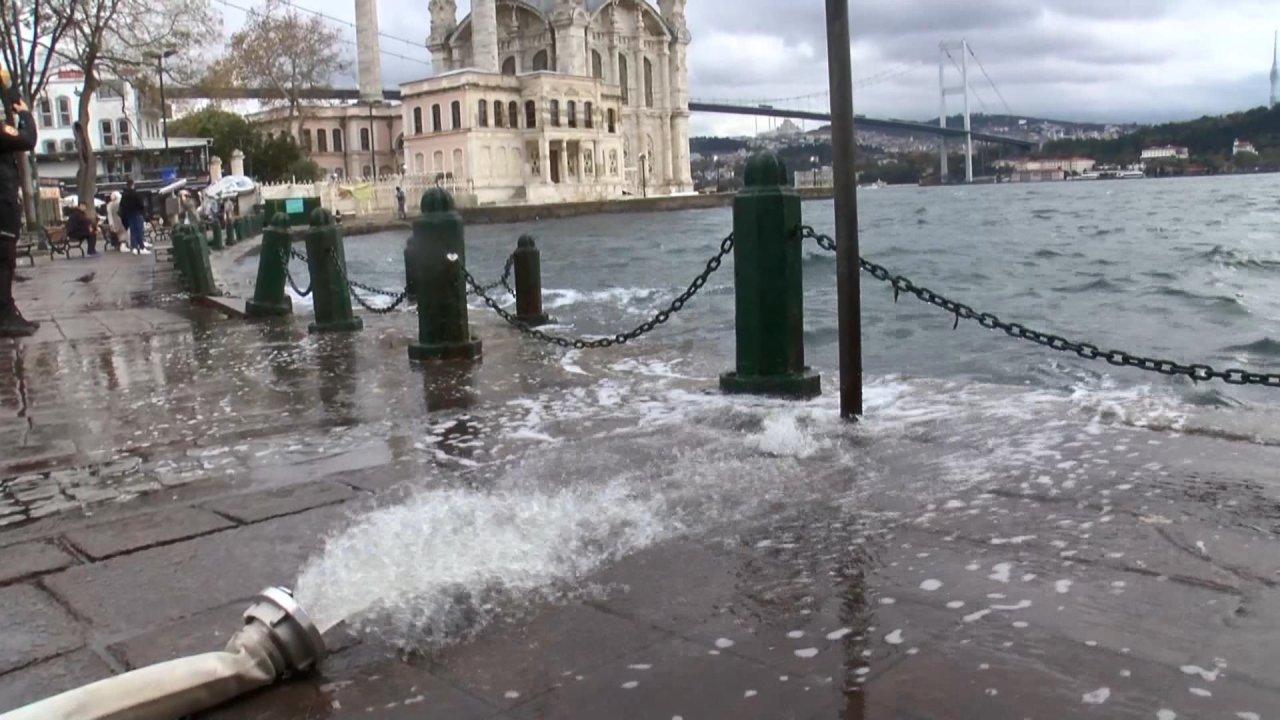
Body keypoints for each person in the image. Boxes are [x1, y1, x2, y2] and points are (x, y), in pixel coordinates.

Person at [0, 68, 38, 337]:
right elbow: (27, 139)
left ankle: (8, 310)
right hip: (2, 202)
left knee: (5, 260)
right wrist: (23, 112)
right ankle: (4, 316)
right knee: (4, 259)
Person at [119, 178, 148, 255]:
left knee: (133, 231)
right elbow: (141, 204)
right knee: (139, 231)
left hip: (129, 215)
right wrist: (142, 211)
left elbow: (122, 206)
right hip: (136, 213)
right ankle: (142, 247)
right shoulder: (136, 194)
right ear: (133, 185)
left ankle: (134, 247)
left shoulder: (124, 195)